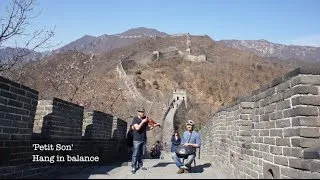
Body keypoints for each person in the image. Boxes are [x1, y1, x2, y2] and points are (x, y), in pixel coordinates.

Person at [130, 106, 160, 174]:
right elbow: (137, 128)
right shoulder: (135, 119)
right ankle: (133, 166)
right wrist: (143, 121)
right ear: (138, 112)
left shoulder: (145, 119)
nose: (143, 113)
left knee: (141, 153)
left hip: (143, 139)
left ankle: (140, 165)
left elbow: (147, 128)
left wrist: (155, 125)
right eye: (141, 112)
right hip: (137, 139)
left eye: (143, 112)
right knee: (135, 154)